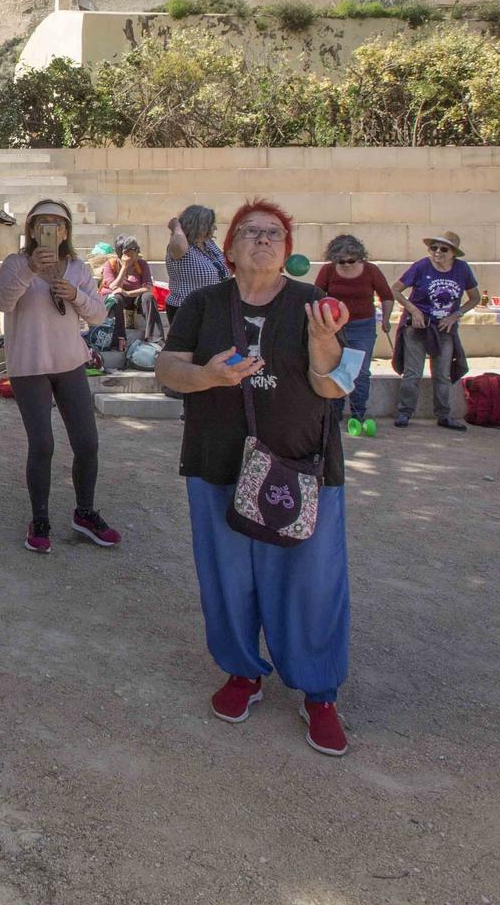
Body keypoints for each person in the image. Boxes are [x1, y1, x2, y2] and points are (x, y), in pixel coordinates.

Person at [155, 199, 353, 758]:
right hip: (217, 462)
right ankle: (243, 672)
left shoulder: (315, 303)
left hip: (302, 465)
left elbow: (337, 386)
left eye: (273, 234)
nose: (262, 241)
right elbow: (167, 368)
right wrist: (205, 376)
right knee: (227, 577)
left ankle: (319, 693)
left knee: (311, 583)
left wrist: (321, 347)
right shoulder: (202, 303)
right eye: (249, 233)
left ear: (287, 250)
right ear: (229, 248)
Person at [0, 200, 121, 554]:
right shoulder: (15, 263)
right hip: (29, 366)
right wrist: (30, 270)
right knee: (43, 445)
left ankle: (85, 512)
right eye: (42, 223)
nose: (50, 229)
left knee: (87, 443)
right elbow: (3, 302)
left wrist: (76, 295)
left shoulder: (78, 268)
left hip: (70, 364)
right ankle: (40, 518)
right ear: (32, 230)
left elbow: (96, 317)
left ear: (66, 231)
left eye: (57, 223)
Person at [393, 231, 481, 430]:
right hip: (418, 325)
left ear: (453, 253)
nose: (437, 252)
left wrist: (455, 315)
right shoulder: (421, 266)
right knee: (412, 372)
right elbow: (395, 289)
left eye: (443, 249)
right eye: (434, 248)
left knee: (442, 373)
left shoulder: (462, 269)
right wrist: (413, 310)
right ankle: (404, 411)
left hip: (444, 327)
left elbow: (474, 297)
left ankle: (443, 414)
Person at [313, 235, 395, 433]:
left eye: (351, 260)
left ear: (360, 257)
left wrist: (385, 319)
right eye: (341, 261)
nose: (347, 265)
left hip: (362, 327)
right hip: (335, 327)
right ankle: (335, 412)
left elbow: (387, 296)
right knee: (335, 368)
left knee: (360, 371)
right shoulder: (328, 270)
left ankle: (359, 413)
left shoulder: (371, 271)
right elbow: (316, 294)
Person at [164, 204, 229, 319]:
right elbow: (179, 243)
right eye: (210, 224)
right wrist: (176, 226)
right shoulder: (181, 247)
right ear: (199, 226)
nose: (215, 228)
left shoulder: (208, 243)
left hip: (212, 308)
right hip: (187, 310)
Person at [106, 235, 162, 340]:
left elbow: (148, 287)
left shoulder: (142, 264)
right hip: (121, 298)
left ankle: (155, 338)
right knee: (116, 299)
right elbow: (113, 287)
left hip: (136, 297)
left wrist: (128, 293)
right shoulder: (110, 265)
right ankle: (119, 339)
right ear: (123, 253)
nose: (138, 251)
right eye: (134, 249)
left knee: (149, 297)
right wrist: (124, 267)